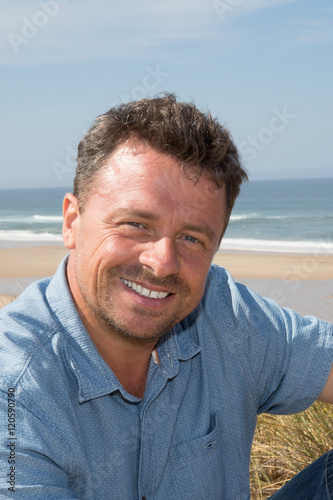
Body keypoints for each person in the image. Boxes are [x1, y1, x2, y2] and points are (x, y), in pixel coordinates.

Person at [0, 94, 332, 499]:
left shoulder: (221, 312)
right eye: (136, 224)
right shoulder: (14, 389)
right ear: (72, 221)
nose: (162, 263)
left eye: (192, 238)